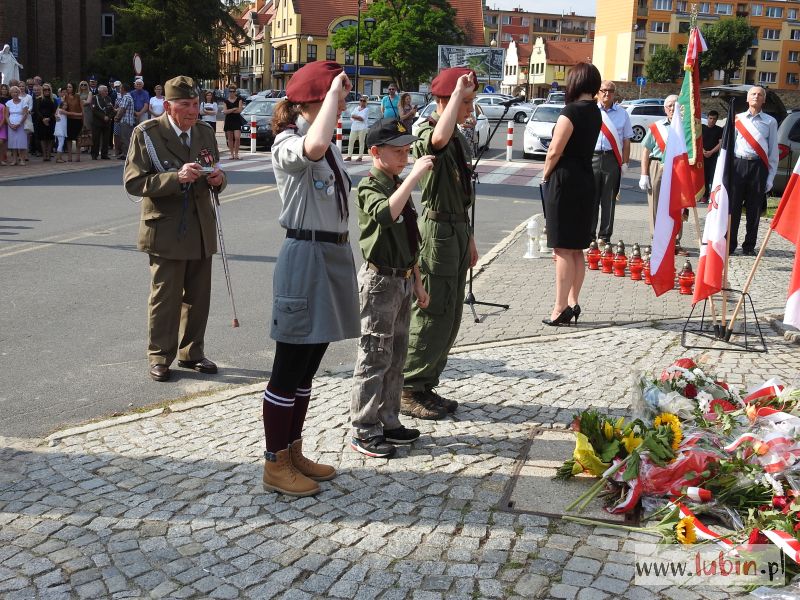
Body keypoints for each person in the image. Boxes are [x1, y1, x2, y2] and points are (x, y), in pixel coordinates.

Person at [262, 60, 358, 497]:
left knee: (307, 370)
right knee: (287, 368)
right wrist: (334, 96)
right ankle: (273, 463)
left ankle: (293, 451)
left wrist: (333, 99)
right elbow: (314, 147)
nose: (343, 100)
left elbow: (324, 146)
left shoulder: (329, 143)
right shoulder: (289, 141)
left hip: (332, 253)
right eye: (336, 94)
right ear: (313, 101)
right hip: (304, 256)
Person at [123, 75, 227, 383]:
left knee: (199, 296)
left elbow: (215, 171)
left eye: (196, 104)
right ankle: (160, 356)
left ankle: (192, 352)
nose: (193, 111)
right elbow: (133, 182)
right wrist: (175, 178)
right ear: (168, 106)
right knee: (165, 297)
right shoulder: (148, 134)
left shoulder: (205, 133)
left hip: (200, 225)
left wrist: (219, 181)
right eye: (185, 105)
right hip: (166, 228)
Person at [349, 118, 433, 458]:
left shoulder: (397, 184)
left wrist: (418, 280)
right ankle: (364, 427)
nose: (405, 156)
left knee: (397, 356)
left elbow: (408, 239)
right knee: (374, 355)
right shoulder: (371, 186)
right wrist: (413, 177)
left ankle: (389, 419)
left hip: (402, 279)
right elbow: (385, 216)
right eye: (397, 151)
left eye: (406, 150)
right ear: (375, 152)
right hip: (380, 282)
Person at [400, 67, 479, 420]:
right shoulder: (429, 130)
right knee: (431, 314)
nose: (470, 109)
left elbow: (459, 195)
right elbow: (436, 142)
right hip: (438, 236)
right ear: (445, 102)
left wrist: (470, 238)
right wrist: (457, 93)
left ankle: (425, 384)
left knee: (449, 315)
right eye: (466, 102)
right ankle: (407, 387)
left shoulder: (455, 134)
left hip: (456, 231)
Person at [540, 63, 602, 327]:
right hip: (586, 178)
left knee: (563, 248)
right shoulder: (596, 112)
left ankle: (559, 307)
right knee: (577, 249)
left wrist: (545, 174)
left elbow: (555, 150)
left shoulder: (571, 111)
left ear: (575, 82)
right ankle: (574, 302)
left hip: (565, 179)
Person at [728, 86, 778, 256]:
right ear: (747, 99)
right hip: (738, 166)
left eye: (760, 95)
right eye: (753, 94)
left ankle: (749, 246)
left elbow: (773, 152)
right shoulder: (738, 119)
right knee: (733, 208)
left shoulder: (770, 121)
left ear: (764, 100)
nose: (756, 96)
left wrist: (770, 177)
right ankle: (730, 245)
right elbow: (729, 146)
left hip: (758, 168)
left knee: (754, 210)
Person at [639, 95, 688, 255]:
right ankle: (657, 241)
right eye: (669, 106)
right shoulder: (656, 127)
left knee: (678, 206)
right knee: (656, 205)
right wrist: (644, 174)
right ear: (664, 109)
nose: (672, 108)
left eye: (675, 105)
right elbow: (646, 151)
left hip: (679, 169)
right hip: (658, 166)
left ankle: (675, 242)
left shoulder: (688, 128)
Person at [591, 80, 633, 243]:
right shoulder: (592, 111)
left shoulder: (622, 114)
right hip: (592, 157)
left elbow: (627, 141)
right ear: (598, 92)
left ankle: (605, 236)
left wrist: (625, 162)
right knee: (591, 198)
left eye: (610, 91)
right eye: (603, 90)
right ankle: (589, 235)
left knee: (608, 199)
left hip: (611, 159)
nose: (606, 93)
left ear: (614, 94)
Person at [701, 109, 723, 204]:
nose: (712, 120)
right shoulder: (702, 128)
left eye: (714, 119)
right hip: (702, 156)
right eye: (710, 118)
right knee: (703, 177)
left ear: (717, 120)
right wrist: (703, 150)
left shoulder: (719, 130)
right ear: (707, 118)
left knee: (713, 177)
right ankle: (703, 196)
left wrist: (711, 152)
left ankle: (713, 196)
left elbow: (720, 143)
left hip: (713, 157)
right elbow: (697, 141)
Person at [6, 85, 29, 165]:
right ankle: (14, 160)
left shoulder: (23, 102)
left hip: (21, 124)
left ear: (18, 93)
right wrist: (10, 124)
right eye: (13, 92)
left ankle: (22, 159)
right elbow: (6, 115)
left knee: (21, 142)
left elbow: (25, 114)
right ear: (10, 93)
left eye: (16, 92)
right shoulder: (8, 103)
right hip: (11, 125)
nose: (14, 94)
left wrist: (19, 124)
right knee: (13, 142)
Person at [33, 82, 57, 161]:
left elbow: (55, 111)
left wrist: (49, 118)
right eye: (45, 89)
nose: (46, 91)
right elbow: (37, 110)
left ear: (50, 90)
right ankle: (44, 155)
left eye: (48, 89)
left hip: (51, 120)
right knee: (43, 138)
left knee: (50, 138)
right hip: (41, 120)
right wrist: (43, 118)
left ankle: (49, 154)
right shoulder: (39, 99)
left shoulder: (53, 100)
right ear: (42, 90)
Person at [90, 85, 115, 159]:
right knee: (96, 139)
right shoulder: (95, 98)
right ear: (100, 91)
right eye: (105, 91)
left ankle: (104, 154)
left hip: (107, 123)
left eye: (107, 91)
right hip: (97, 122)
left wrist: (109, 117)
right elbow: (94, 110)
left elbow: (112, 110)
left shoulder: (108, 98)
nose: (107, 92)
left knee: (106, 139)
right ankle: (94, 154)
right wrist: (103, 117)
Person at [62, 82, 83, 162]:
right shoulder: (65, 97)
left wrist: (83, 119)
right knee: (69, 138)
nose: (68, 88)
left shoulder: (78, 96)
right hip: (69, 120)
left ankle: (78, 156)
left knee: (78, 138)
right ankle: (69, 156)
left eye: (70, 87)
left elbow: (82, 110)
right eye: (67, 87)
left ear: (73, 88)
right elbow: (62, 107)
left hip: (77, 120)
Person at [114, 83, 136, 159]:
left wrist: (117, 117)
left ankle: (127, 155)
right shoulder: (128, 96)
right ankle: (125, 154)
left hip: (126, 121)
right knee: (125, 138)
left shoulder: (126, 97)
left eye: (120, 88)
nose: (119, 90)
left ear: (123, 89)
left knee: (125, 138)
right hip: (128, 121)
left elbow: (122, 109)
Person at [222, 85, 244, 159]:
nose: (232, 93)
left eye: (233, 91)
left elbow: (239, 110)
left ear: (235, 92)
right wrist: (233, 109)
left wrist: (230, 111)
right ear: (228, 92)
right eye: (230, 91)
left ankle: (236, 153)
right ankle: (231, 154)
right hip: (229, 120)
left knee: (237, 137)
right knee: (230, 138)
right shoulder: (226, 101)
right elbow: (224, 111)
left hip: (237, 120)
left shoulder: (239, 99)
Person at [344, 96, 369, 161]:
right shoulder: (356, 108)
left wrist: (355, 117)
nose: (362, 102)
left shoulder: (366, 109)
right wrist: (357, 117)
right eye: (361, 100)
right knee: (351, 141)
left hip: (362, 127)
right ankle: (349, 156)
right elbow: (351, 116)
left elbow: (362, 118)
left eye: (364, 101)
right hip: (354, 127)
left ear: (366, 102)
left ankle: (360, 156)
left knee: (361, 142)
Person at [78, 80, 93, 154]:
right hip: (80, 112)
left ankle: (89, 146)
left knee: (88, 128)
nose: (83, 86)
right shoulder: (78, 94)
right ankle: (84, 146)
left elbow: (88, 102)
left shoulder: (89, 93)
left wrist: (82, 102)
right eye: (82, 85)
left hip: (87, 112)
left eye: (85, 85)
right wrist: (83, 101)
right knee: (82, 129)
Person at [53, 88, 68, 162]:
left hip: (62, 129)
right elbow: (70, 113)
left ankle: (60, 157)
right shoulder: (61, 110)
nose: (66, 106)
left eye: (66, 105)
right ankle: (58, 158)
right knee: (61, 143)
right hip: (60, 129)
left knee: (61, 143)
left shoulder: (60, 110)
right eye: (65, 105)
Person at [0, 83, 9, 165]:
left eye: (5, 89)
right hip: (2, 121)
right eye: (2, 89)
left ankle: (4, 157)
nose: (4, 90)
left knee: (4, 141)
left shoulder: (9, 100)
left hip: (6, 122)